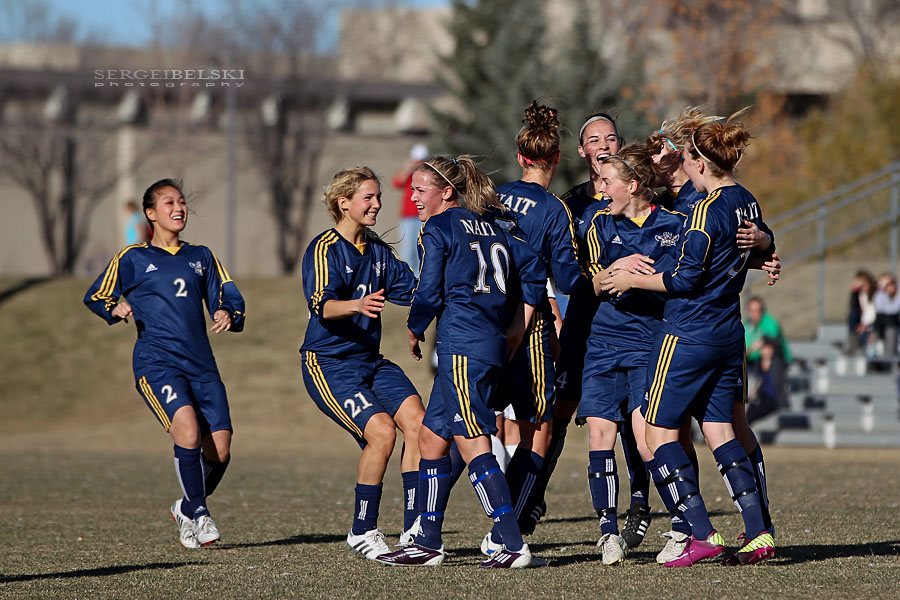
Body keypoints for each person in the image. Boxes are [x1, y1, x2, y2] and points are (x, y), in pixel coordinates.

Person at [601, 112, 779, 566]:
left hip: (688, 332)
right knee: (720, 430)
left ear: (698, 162)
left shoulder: (703, 211)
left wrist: (633, 278)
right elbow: (738, 254)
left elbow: (683, 280)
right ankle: (759, 533)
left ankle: (701, 533)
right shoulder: (747, 201)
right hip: (727, 331)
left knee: (656, 433)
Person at [377, 155, 548, 568]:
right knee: (433, 440)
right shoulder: (490, 225)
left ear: (446, 192)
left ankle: (511, 541)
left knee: (471, 439)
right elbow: (535, 265)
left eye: (420, 190)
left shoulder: (438, 226)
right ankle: (428, 540)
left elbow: (430, 288)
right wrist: (514, 326)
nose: (413, 197)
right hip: (487, 345)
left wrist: (416, 326)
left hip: (461, 346)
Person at [85, 179, 245, 548]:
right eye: (169, 202)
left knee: (220, 450)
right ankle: (200, 514)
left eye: (182, 201)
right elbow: (96, 294)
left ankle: (186, 506)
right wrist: (114, 306)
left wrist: (226, 311)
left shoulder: (202, 256)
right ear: (151, 213)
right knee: (186, 430)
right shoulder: (133, 257)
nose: (179, 208)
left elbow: (229, 294)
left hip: (202, 365)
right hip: (157, 363)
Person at [299, 166, 424, 562]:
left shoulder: (379, 255)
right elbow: (321, 304)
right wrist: (356, 304)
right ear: (344, 203)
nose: (377, 204)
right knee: (383, 433)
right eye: (368, 197)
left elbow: (416, 292)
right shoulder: (323, 249)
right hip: (329, 364)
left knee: (419, 424)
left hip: (371, 361)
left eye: (377, 196)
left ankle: (414, 527)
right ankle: (362, 529)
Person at [481, 101, 583, 553]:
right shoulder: (555, 211)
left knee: (463, 425)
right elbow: (566, 279)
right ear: (557, 160)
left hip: (481, 323)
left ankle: (423, 527)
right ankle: (511, 527)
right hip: (528, 328)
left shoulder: (493, 199)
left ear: (521, 158)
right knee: (538, 427)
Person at [579, 144, 685, 564]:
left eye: (608, 182)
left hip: (649, 344)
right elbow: (588, 284)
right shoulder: (598, 225)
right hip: (604, 343)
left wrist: (643, 279)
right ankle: (607, 532)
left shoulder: (675, 226)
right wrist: (609, 276)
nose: (601, 189)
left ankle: (682, 524)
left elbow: (687, 278)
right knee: (599, 435)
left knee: (646, 440)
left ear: (634, 185)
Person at [392, 143, 429, 274]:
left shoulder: (426, 176)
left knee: (422, 249)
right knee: (407, 250)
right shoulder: (409, 174)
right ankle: (408, 278)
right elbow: (397, 182)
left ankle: (420, 278)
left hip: (424, 216)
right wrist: (409, 168)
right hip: (408, 217)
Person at [746, 337, 788, 423]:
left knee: (750, 417)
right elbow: (743, 358)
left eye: (768, 348)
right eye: (764, 348)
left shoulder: (777, 362)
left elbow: (779, 346)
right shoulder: (758, 363)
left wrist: (764, 339)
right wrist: (752, 349)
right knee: (746, 416)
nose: (766, 351)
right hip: (761, 396)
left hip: (774, 399)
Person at [744, 296, 791, 371]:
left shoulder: (770, 323)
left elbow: (773, 342)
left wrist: (758, 345)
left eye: (757, 311)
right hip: (753, 360)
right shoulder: (748, 325)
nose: (754, 314)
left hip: (776, 360)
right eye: (751, 311)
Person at [847, 271, 876, 355]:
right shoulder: (860, 295)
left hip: (872, 322)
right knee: (852, 316)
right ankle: (852, 348)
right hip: (863, 322)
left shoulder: (875, 295)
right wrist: (854, 292)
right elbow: (853, 306)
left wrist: (865, 325)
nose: (862, 287)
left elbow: (873, 314)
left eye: (864, 284)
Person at [873, 273, 900, 357]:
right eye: (885, 285)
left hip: (894, 322)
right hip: (883, 323)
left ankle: (890, 355)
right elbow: (880, 308)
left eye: (890, 283)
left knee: (890, 320)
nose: (889, 287)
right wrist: (882, 290)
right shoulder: (879, 294)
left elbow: (894, 308)